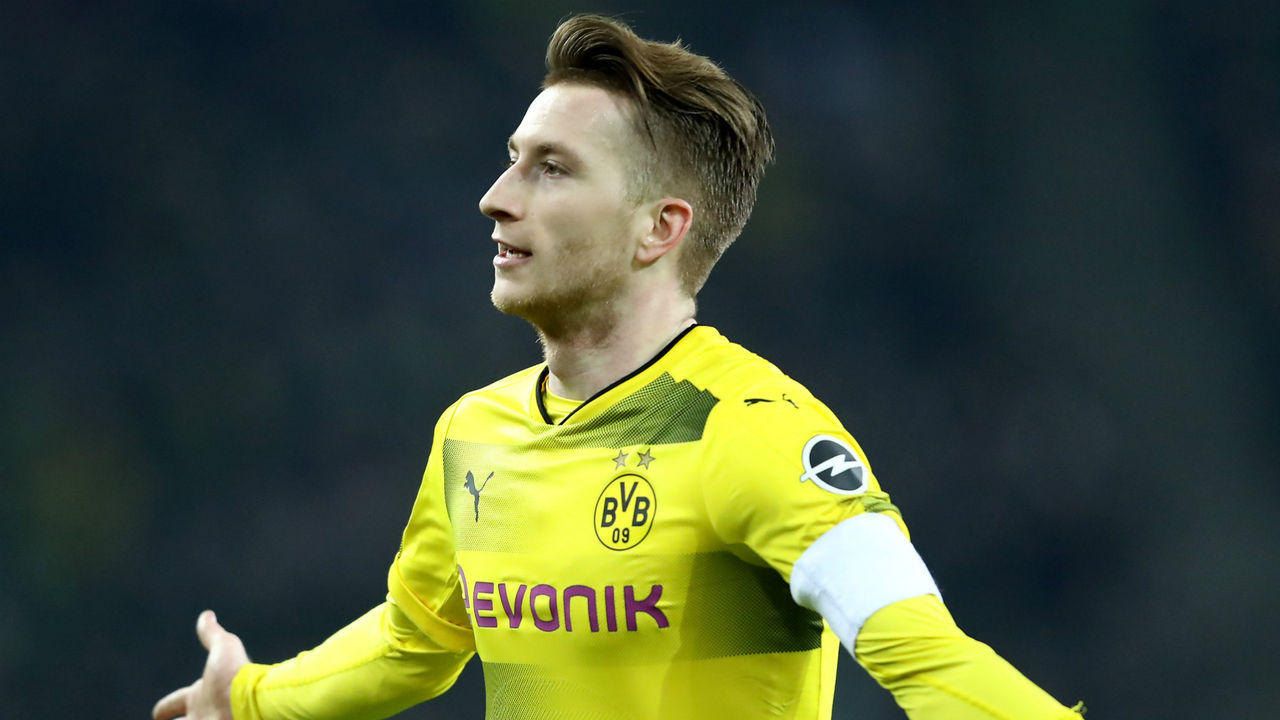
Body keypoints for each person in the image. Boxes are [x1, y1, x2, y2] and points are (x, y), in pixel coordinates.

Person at [154, 14, 1085, 720]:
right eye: (512, 160)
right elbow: (414, 641)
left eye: (552, 169)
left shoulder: (754, 431)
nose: (495, 198)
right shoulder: (475, 435)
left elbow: (923, 654)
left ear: (658, 229)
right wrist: (251, 698)